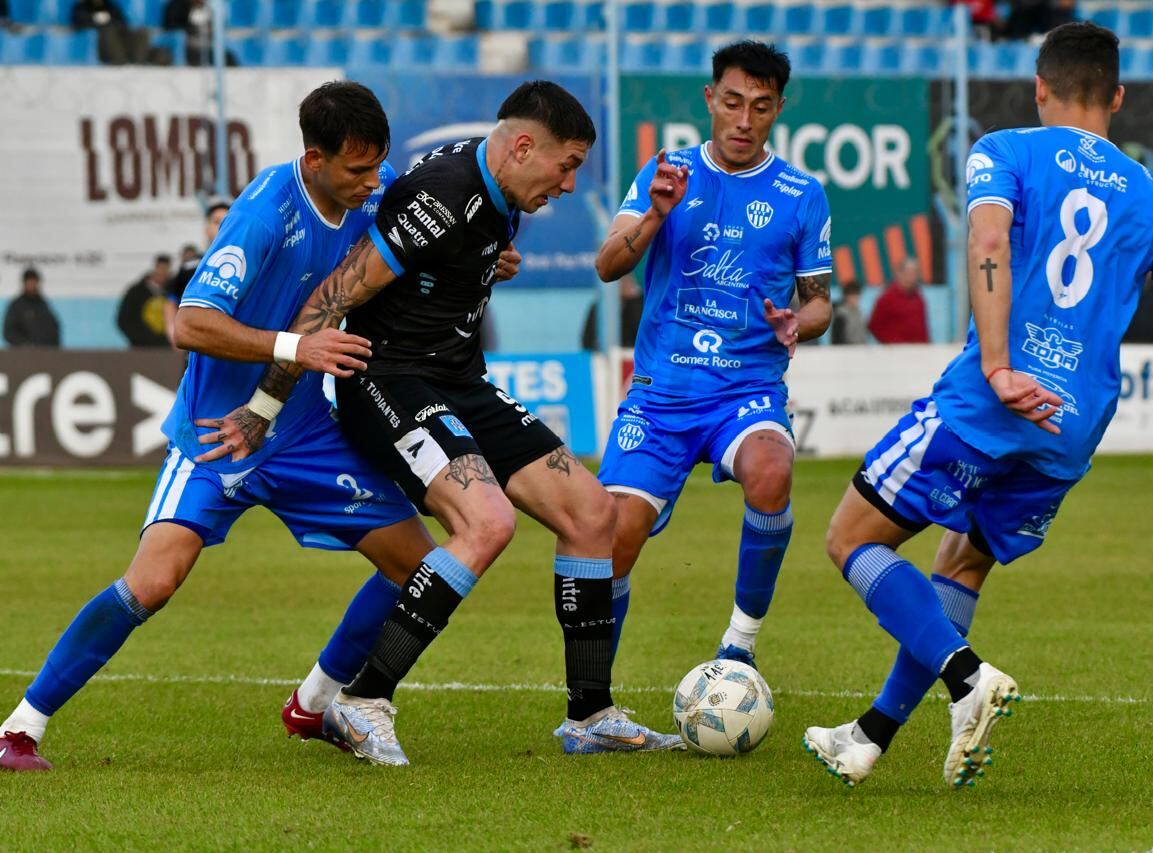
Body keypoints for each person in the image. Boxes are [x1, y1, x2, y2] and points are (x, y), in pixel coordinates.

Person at [802, 21, 1153, 790]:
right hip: (1073, 426)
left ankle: (968, 678)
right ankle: (870, 735)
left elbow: (989, 243)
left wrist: (1001, 366)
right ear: (1118, 97)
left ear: (1040, 89)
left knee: (849, 538)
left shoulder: (1004, 150)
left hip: (991, 399)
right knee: (962, 559)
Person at [195, 80, 682, 765]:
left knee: (592, 512)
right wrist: (264, 406)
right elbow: (333, 295)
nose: (569, 184)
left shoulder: (498, 193)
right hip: (387, 380)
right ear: (521, 146)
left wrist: (485, 260)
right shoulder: (442, 198)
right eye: (566, 165)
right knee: (487, 523)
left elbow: (451, 258)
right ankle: (362, 701)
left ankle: (590, 713)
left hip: (457, 381)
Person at [0, 82, 441, 772]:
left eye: (377, 165)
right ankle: (21, 727)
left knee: (420, 565)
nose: (372, 181)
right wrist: (296, 348)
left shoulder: (370, 203)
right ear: (315, 158)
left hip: (299, 431)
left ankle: (317, 701)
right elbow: (191, 324)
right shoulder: (265, 212)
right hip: (215, 435)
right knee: (151, 584)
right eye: (358, 169)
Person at [593, 41, 833, 674]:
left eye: (760, 106)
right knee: (610, 541)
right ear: (710, 99)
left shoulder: (801, 193)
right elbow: (608, 263)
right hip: (662, 391)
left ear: (779, 108)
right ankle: (591, 708)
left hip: (745, 391)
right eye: (732, 102)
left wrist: (795, 324)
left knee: (773, 471)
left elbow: (820, 305)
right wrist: (654, 213)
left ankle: (740, 645)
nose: (744, 121)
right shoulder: (666, 173)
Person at [165, 199, 231, 347]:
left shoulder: (250, 264)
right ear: (206, 229)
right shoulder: (191, 266)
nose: (221, 226)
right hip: (196, 348)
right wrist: (173, 331)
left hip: (233, 347)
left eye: (226, 221)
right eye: (216, 221)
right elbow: (171, 302)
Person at [868, 257, 929, 344]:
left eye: (915, 273)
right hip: (896, 352)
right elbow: (874, 325)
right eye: (909, 273)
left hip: (919, 351)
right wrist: (891, 343)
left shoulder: (919, 298)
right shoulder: (887, 298)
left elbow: (923, 327)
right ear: (899, 273)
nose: (912, 277)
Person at [117, 255, 173, 347]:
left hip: (168, 350)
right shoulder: (136, 292)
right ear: (155, 268)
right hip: (141, 348)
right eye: (160, 268)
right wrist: (140, 339)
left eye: (166, 269)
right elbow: (124, 320)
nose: (162, 273)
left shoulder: (173, 292)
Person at [71, 0, 151, 65]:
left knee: (142, 32)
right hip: (103, 45)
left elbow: (123, 22)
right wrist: (94, 19)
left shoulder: (110, 6)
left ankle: (138, 62)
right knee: (109, 31)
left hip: (120, 38)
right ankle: (119, 60)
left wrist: (109, 20)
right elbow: (78, 23)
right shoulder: (82, 7)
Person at [580, 273, 644, 350]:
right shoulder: (597, 308)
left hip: (629, 355)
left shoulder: (636, 305)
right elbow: (587, 340)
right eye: (622, 281)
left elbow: (641, 335)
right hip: (601, 355)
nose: (627, 283)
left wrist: (636, 298)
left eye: (628, 280)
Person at [3, 267, 61, 348]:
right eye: (29, 281)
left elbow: (54, 329)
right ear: (24, 283)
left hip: (44, 354)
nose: (31, 284)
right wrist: (24, 344)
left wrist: (53, 349)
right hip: (22, 356)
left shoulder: (43, 304)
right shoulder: (16, 306)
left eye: (34, 281)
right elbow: (8, 332)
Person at [831, 278, 869, 345]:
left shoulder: (859, 312)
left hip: (861, 349)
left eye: (857, 296)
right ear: (846, 296)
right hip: (847, 351)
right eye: (853, 296)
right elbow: (837, 338)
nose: (855, 299)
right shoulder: (841, 314)